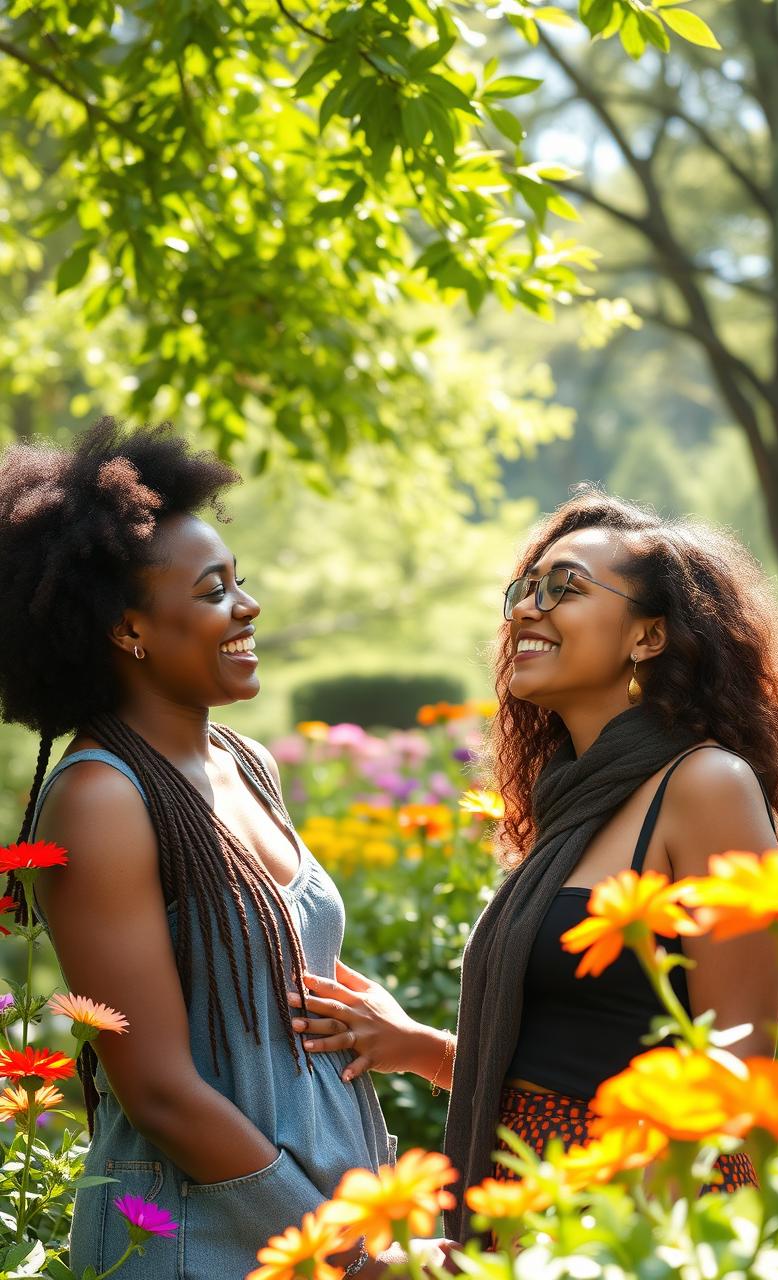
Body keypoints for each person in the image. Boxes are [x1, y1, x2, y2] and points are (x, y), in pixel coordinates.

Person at [287, 489, 778, 1242]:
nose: (525, 610)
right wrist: (419, 1048)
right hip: (531, 1212)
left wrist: (604, 1242)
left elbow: (734, 1077)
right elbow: (566, 1060)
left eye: (563, 586)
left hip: (625, 1224)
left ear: (649, 636)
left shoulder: (704, 787)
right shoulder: (572, 805)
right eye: (524, 589)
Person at [0, 419, 430, 1279]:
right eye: (211, 592)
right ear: (129, 631)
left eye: (240, 581)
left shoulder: (246, 763)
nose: (248, 607)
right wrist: (345, 1253)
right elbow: (157, 1090)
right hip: (205, 1238)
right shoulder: (102, 799)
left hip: (325, 1221)